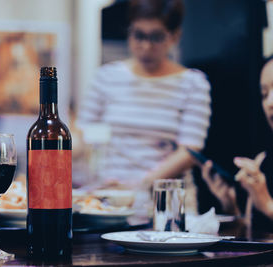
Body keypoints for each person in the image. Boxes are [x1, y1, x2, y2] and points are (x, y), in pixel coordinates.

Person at [76, 0, 211, 194]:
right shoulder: (106, 77)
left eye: (156, 37)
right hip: (112, 195)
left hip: (166, 199)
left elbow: (189, 151)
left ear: (175, 36)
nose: (146, 46)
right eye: (139, 35)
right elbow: (83, 133)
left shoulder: (193, 83)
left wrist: (141, 185)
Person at [201, 57, 273, 231]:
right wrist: (230, 205)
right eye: (264, 94)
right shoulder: (263, 161)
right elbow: (251, 240)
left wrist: (267, 204)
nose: (270, 103)